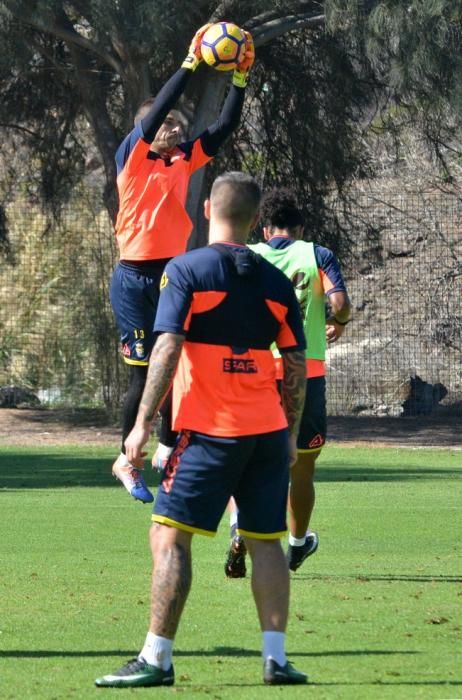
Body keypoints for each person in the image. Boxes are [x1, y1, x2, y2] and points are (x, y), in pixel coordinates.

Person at [95, 172, 308, 688]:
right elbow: (296, 363)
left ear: (208, 206)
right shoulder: (275, 282)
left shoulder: (185, 270)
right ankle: (275, 659)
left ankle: (156, 658)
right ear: (255, 219)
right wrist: (289, 433)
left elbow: (166, 348)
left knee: (168, 537)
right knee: (266, 541)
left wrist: (142, 425)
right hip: (266, 433)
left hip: (209, 431)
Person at [110, 24, 255, 504]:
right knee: (139, 372)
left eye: (178, 126)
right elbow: (152, 121)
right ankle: (126, 460)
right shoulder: (133, 157)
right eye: (168, 125)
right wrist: (191, 64)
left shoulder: (181, 160)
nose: (176, 130)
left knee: (173, 364)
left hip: (172, 273)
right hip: (133, 278)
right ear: (147, 131)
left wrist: (238, 78)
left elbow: (223, 129)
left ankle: (168, 446)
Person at [225, 187, 351, 577]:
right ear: (299, 228)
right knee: (302, 469)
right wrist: (339, 324)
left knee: (244, 460)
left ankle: (237, 529)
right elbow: (341, 303)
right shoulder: (317, 254)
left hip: (254, 371)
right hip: (305, 374)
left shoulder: (248, 255)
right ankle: (296, 547)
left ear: (265, 230)